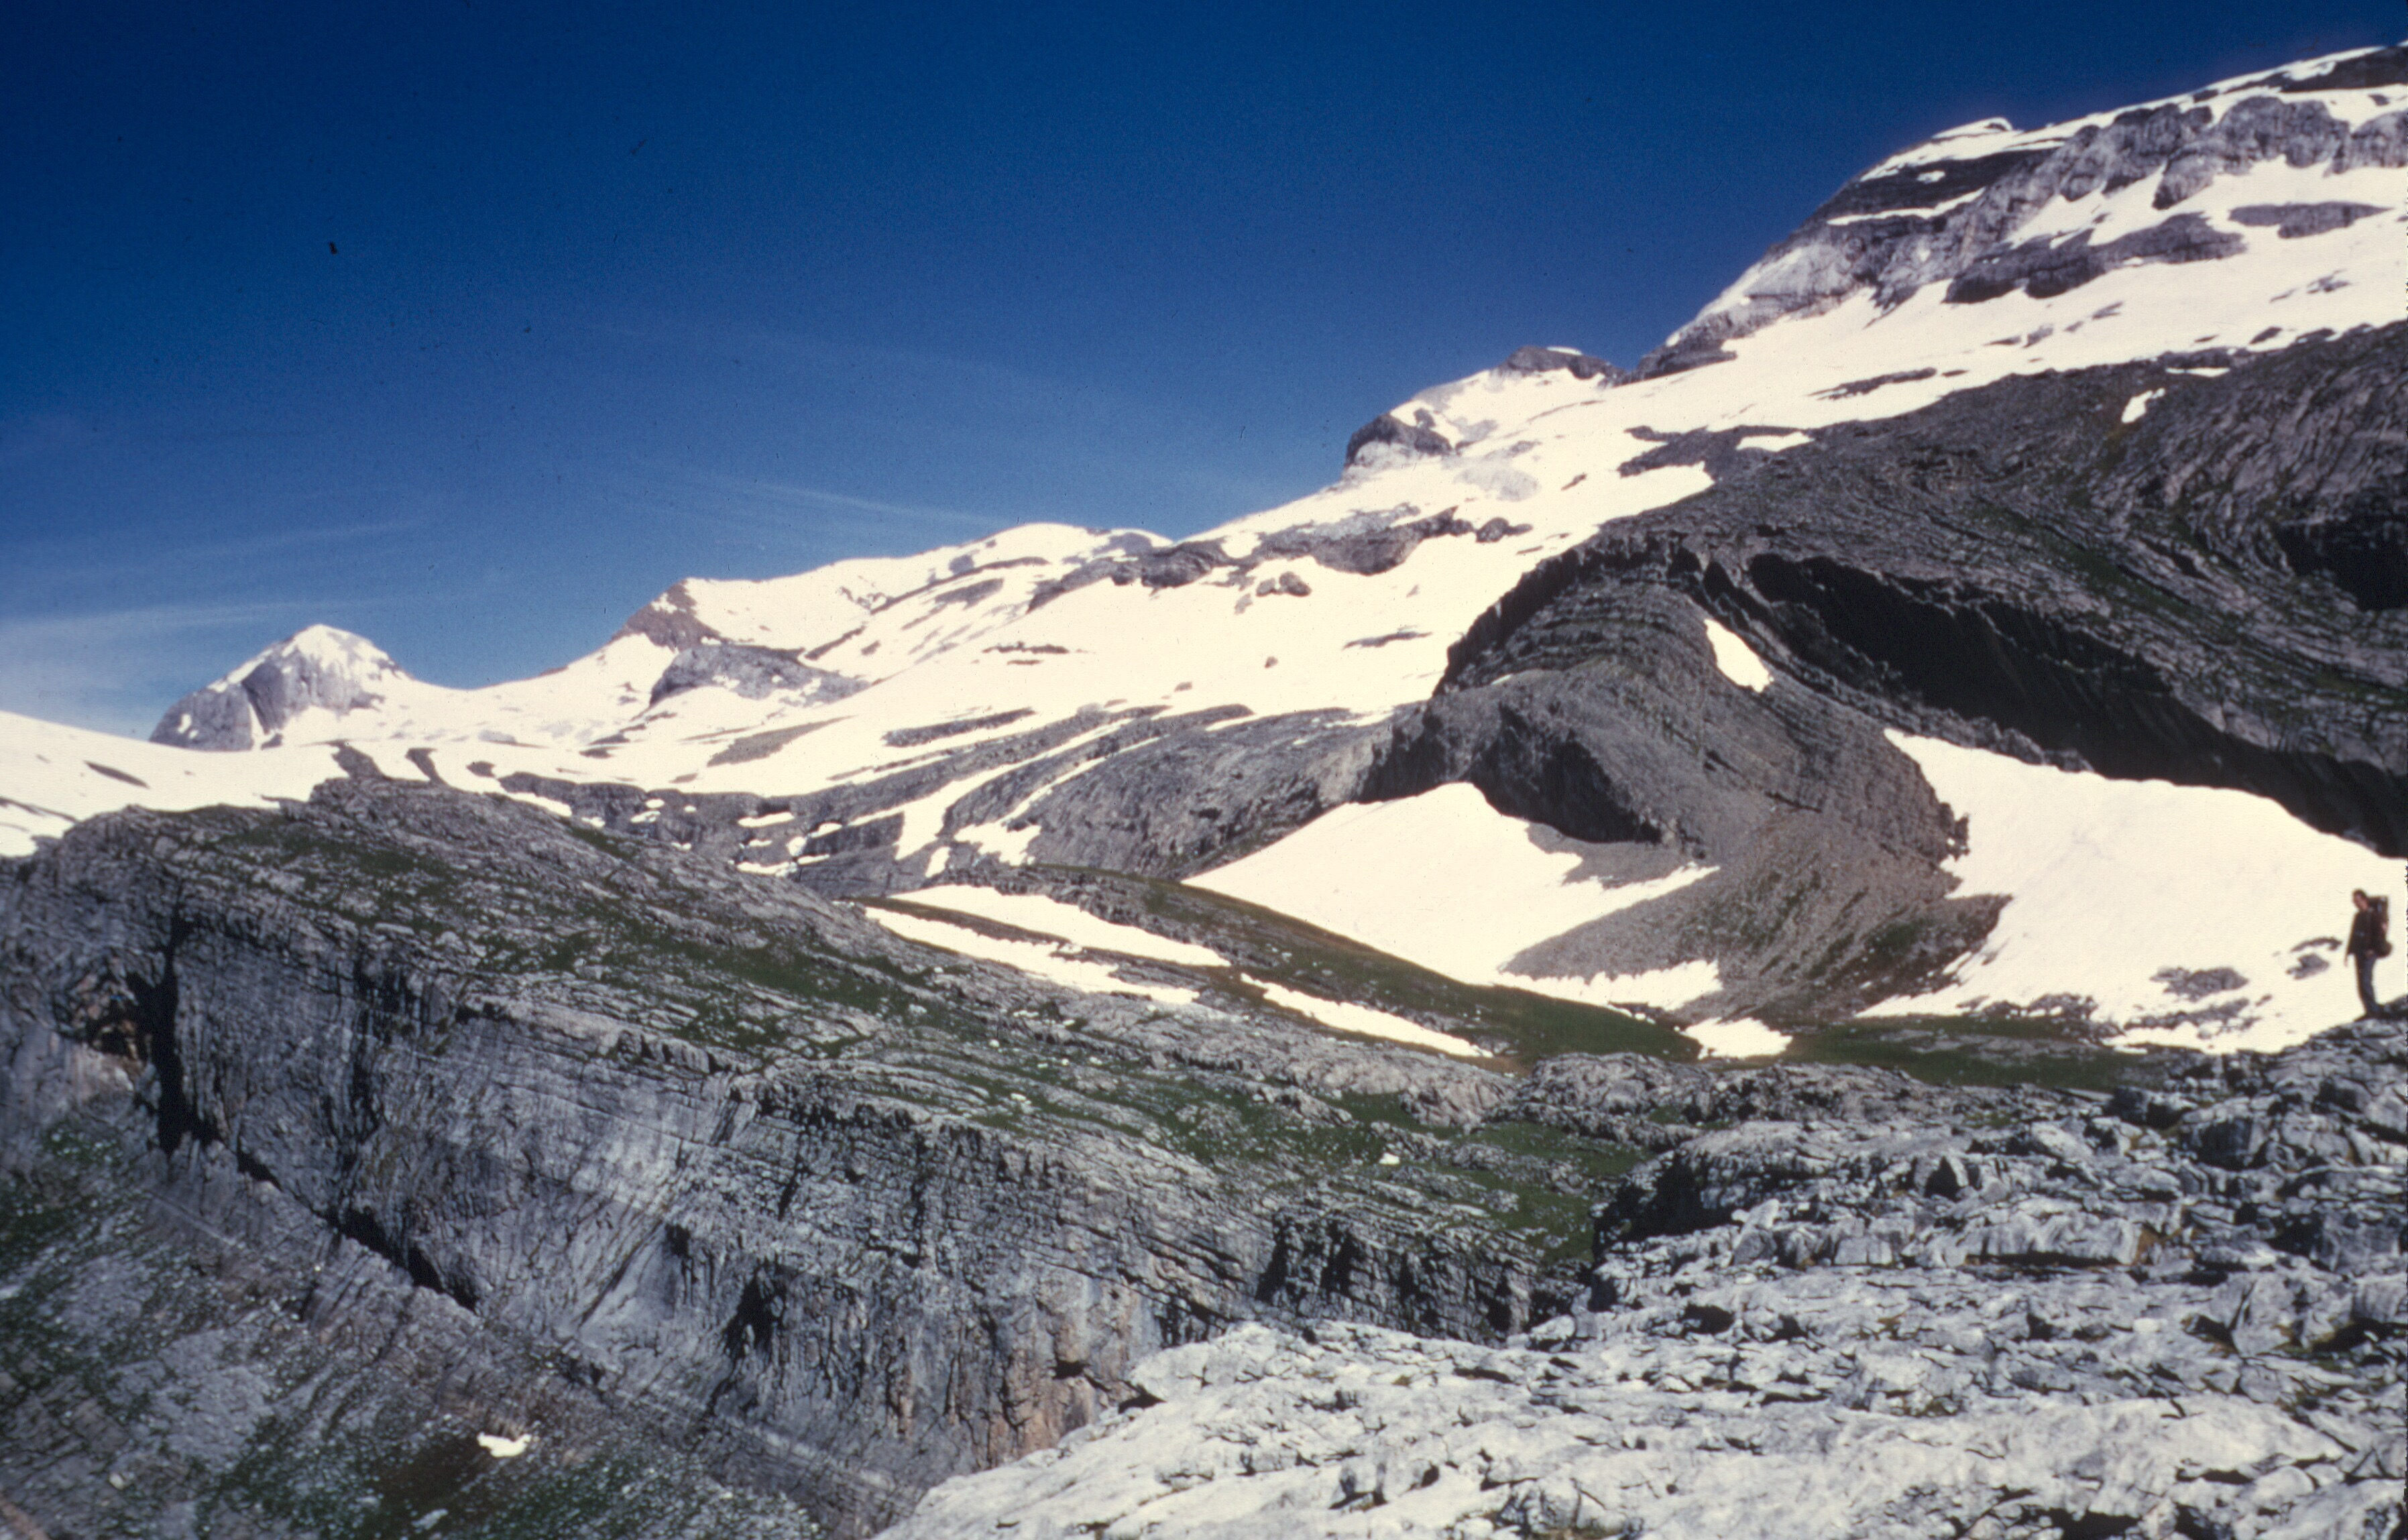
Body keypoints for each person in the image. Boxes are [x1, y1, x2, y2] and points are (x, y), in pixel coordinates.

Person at [2346, 888, 2389, 1018]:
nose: (2355, 904)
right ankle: (2370, 1009)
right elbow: (2354, 935)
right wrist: (2349, 952)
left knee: (2365, 981)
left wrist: (2372, 950)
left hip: (2369, 954)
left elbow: (2380, 935)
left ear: (2364, 900)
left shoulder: (2373, 916)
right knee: (2362, 982)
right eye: (2354, 901)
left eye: (2357, 901)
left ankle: (2373, 1011)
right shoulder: (2359, 916)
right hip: (2360, 953)